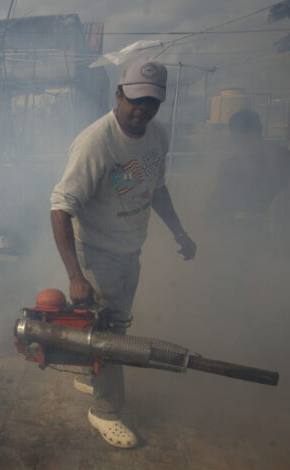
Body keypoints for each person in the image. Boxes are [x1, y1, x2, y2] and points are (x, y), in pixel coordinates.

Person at [50, 58, 196, 448]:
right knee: (110, 335)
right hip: (98, 253)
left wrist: (180, 231)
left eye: (152, 102)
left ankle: (90, 373)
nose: (143, 109)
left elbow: (157, 188)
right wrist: (76, 276)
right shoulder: (96, 142)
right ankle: (105, 410)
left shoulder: (157, 136)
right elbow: (60, 207)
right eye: (136, 100)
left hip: (131, 250)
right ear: (118, 95)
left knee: (113, 327)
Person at [206, 109, 290, 271]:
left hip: (273, 237)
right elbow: (217, 203)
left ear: (259, 131)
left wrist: (280, 224)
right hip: (234, 239)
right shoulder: (229, 166)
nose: (242, 144)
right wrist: (208, 217)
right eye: (237, 138)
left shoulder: (285, 159)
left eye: (246, 137)